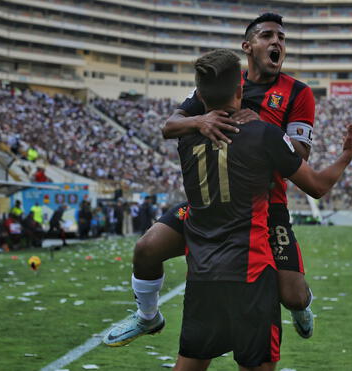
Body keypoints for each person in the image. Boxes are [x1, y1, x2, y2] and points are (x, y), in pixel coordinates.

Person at [105, 50, 352, 371]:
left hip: (203, 275)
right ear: (240, 91)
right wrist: (346, 155)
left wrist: (197, 122)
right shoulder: (264, 134)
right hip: (250, 273)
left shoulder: (187, 137)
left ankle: (149, 314)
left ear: (199, 97)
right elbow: (317, 186)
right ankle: (146, 316)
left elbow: (171, 127)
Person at [108, 13, 317, 347]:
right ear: (248, 46)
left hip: (265, 208)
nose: (276, 42)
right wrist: (200, 120)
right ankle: (148, 318)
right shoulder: (223, 80)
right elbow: (169, 125)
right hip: (210, 201)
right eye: (267, 36)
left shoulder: (298, 93)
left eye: (281, 37)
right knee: (146, 248)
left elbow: (301, 154)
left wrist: (263, 128)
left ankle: (303, 306)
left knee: (291, 295)